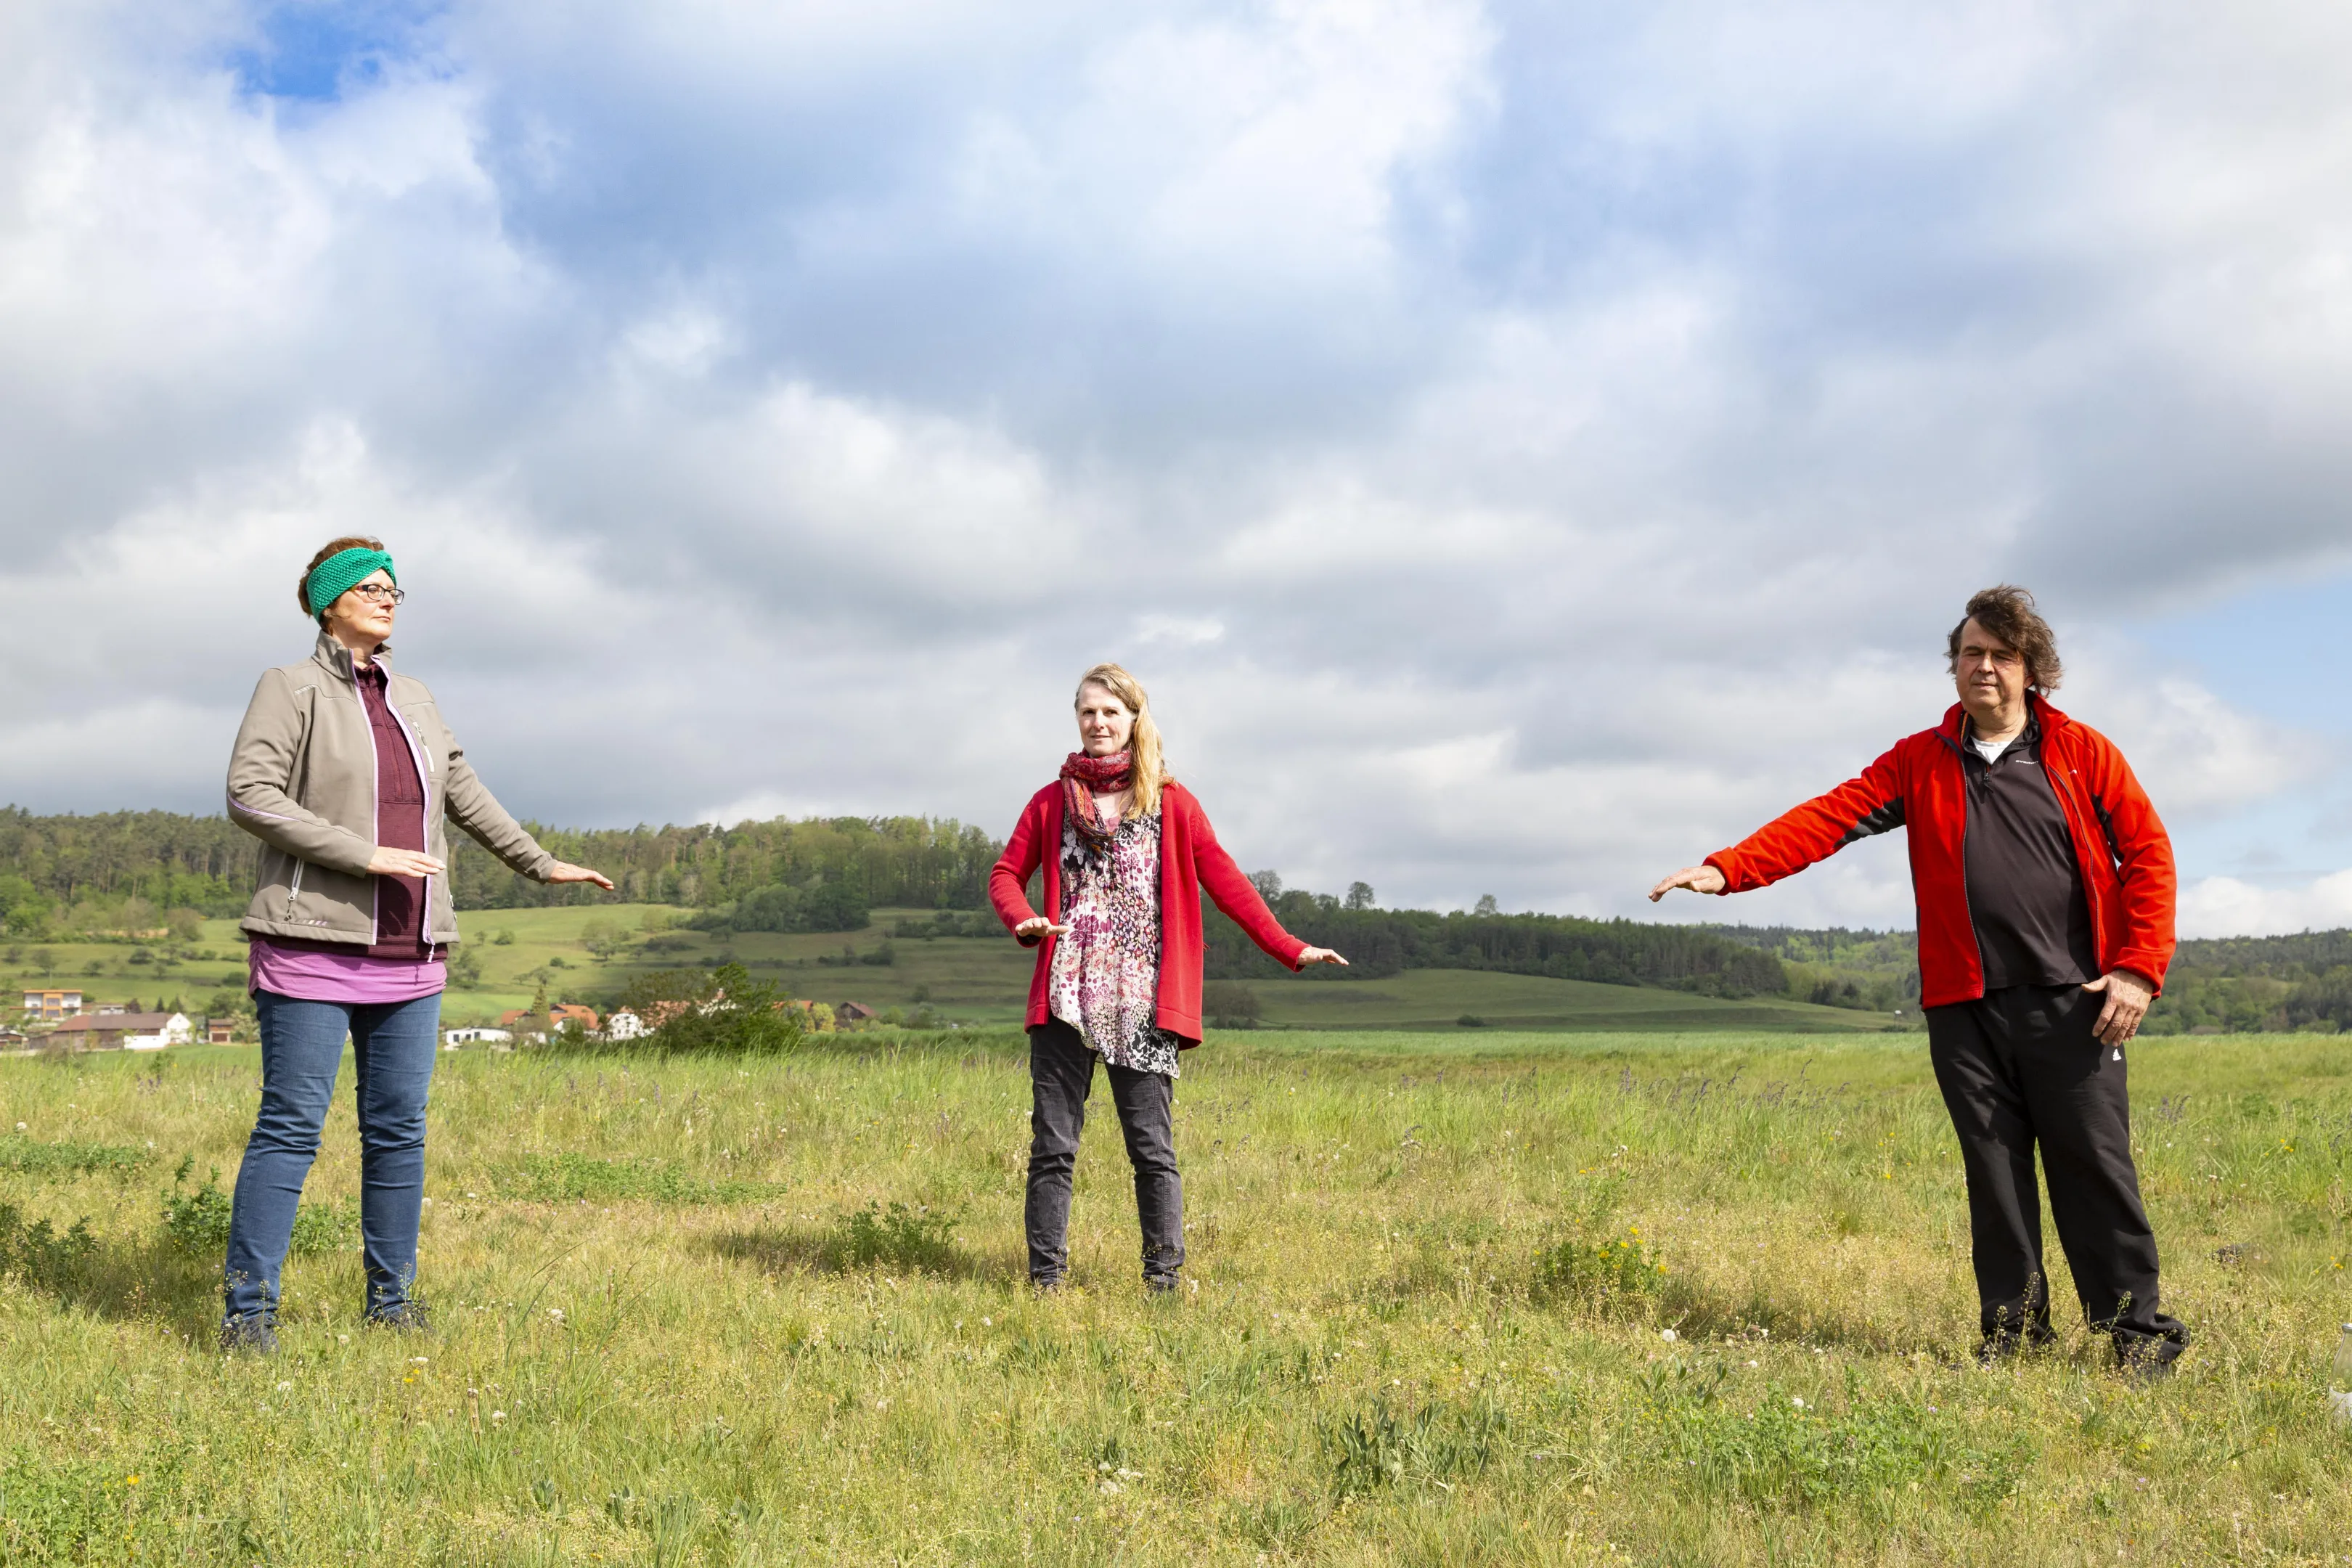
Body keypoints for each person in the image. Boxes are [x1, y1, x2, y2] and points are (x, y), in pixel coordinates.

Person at [1649, 586, 2188, 1376]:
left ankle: (2137, 1340)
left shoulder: (2081, 754)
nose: (1985, 669)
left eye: (2003, 656)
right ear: (1954, 667)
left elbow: (2149, 858)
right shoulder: (1919, 760)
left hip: (2076, 1003)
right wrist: (1729, 869)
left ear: (2033, 670)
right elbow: (1831, 816)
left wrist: (2138, 971)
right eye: (1972, 654)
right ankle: (2013, 1340)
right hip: (1964, 1009)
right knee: (1995, 1175)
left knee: (2095, 1173)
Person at [219, 536, 612, 1352]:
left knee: (398, 1129)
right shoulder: (288, 688)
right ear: (327, 601)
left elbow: (464, 792)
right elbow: (249, 793)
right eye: (367, 586)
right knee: (292, 1127)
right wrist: (359, 852)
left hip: (413, 949)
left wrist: (539, 863)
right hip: (311, 942)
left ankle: (391, 1306)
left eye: (395, 587)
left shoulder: (418, 698)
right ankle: (248, 1317)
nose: (387, 596)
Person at [989, 663, 1347, 1291]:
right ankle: (1045, 1283)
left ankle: (1164, 1282)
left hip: (1144, 1001)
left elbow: (1228, 882)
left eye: (1110, 712)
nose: (1098, 723)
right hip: (1066, 996)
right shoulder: (1051, 802)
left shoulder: (1171, 802)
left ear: (1133, 719)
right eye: (1087, 712)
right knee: (1053, 1149)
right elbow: (1004, 874)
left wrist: (1292, 948)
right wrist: (1026, 921)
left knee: (1152, 1150)